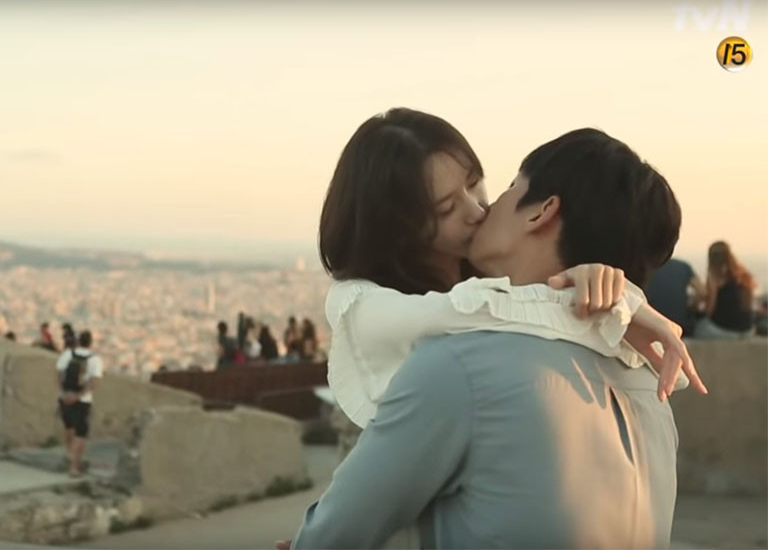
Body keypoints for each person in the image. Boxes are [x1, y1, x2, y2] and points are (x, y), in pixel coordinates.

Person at [290, 124, 704, 548]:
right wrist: (623, 302)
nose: (481, 209)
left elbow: (330, 538)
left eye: (505, 186)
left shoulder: (461, 368)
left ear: (541, 212)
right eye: (447, 207)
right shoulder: (650, 390)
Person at [56, 330, 103, 477]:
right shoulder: (95, 360)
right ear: (90, 343)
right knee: (80, 434)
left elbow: (59, 374)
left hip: (64, 398)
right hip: (82, 401)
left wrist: (63, 393)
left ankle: (69, 456)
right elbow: (94, 382)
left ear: (78, 341)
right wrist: (78, 396)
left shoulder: (67, 354)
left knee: (69, 428)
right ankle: (74, 467)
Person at [695, 240, 756, 339]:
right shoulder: (744, 276)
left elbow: (709, 310)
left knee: (699, 326)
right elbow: (748, 306)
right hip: (747, 330)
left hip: (724, 331)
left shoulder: (714, 276)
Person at [646, 258, 706, 337]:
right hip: (682, 327)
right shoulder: (683, 267)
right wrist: (691, 306)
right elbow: (701, 292)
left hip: (653, 325)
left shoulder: (648, 267)